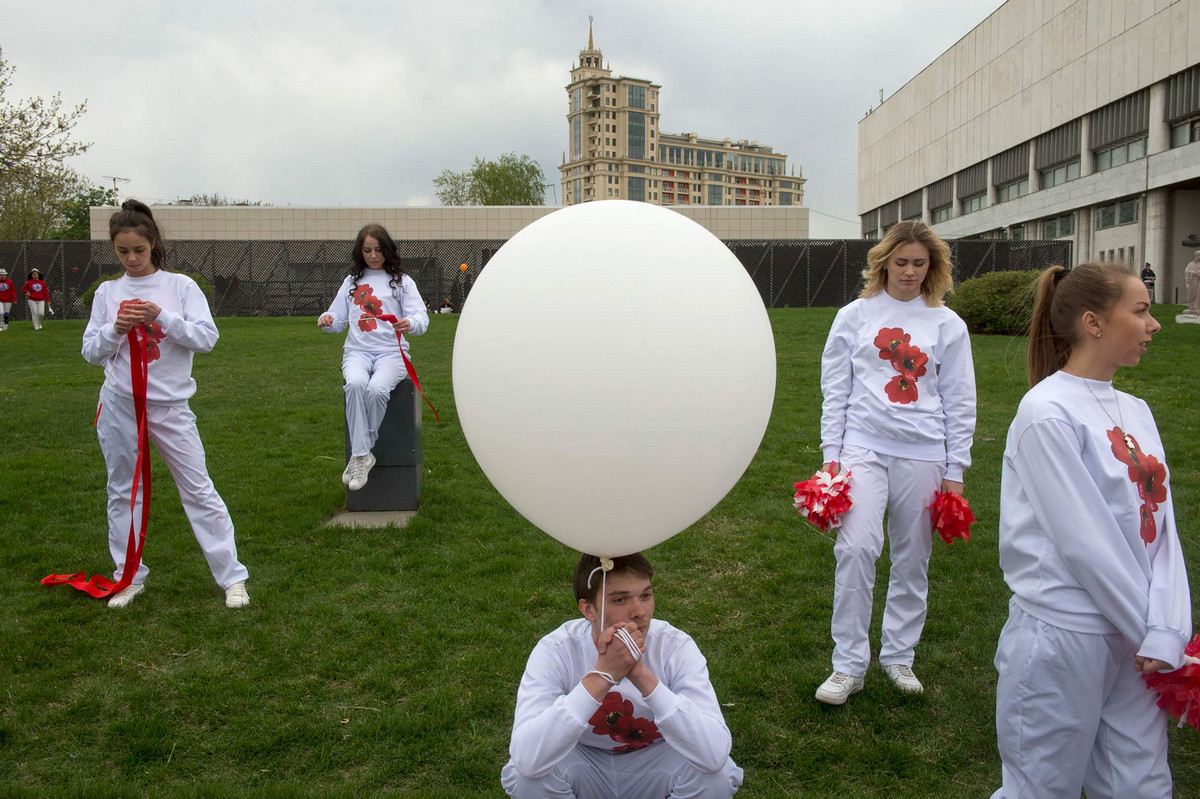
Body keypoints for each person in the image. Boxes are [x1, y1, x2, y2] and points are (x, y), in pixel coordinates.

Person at [991, 262, 1191, 798]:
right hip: (1065, 636)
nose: (1154, 324)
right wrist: (1151, 630)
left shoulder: (1136, 409)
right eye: (1141, 310)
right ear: (1093, 322)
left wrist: (1169, 629)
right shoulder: (1046, 412)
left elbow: (1163, 532)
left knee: (1141, 784)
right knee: (1041, 786)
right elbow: (1085, 542)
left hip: (1137, 639)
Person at [814, 220, 977, 705]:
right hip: (862, 448)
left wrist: (955, 470)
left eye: (919, 263)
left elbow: (960, 399)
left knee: (912, 557)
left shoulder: (948, 324)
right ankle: (848, 664)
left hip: (925, 452)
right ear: (883, 263)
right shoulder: (853, 316)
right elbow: (835, 390)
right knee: (856, 549)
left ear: (932, 267)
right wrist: (831, 457)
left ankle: (899, 655)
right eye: (901, 262)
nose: (909, 271)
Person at [82, 199, 249, 609]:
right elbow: (90, 351)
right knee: (123, 490)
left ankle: (232, 579)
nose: (131, 258)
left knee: (198, 487)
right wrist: (114, 329)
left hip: (170, 406)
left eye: (139, 249)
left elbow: (206, 338)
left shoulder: (180, 286)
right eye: (122, 251)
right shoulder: (107, 292)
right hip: (120, 404)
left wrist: (162, 317)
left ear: (153, 244)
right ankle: (128, 576)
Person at [501, 553, 743, 798]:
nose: (640, 611)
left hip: (658, 761)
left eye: (645, 595)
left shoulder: (674, 646)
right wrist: (603, 675)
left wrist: (642, 677)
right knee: (526, 780)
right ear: (588, 609)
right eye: (620, 600)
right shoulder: (557, 649)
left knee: (717, 777)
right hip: (583, 762)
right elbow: (527, 760)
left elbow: (714, 755)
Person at [318, 224, 428, 491]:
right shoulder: (351, 282)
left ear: (387, 249)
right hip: (356, 351)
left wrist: (410, 323)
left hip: (392, 353)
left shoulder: (402, 281)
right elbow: (336, 319)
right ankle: (362, 455)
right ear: (360, 251)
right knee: (355, 385)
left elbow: (421, 318)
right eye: (367, 250)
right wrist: (326, 320)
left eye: (378, 249)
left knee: (377, 390)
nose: (374, 255)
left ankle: (360, 454)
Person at [1186, 250, 1200, 315]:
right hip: (1193, 281)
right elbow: (1187, 271)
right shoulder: (1191, 264)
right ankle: (1192, 307)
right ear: (1195, 256)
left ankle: (1198, 307)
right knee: (1193, 294)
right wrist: (1194, 273)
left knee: (1199, 294)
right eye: (1198, 255)